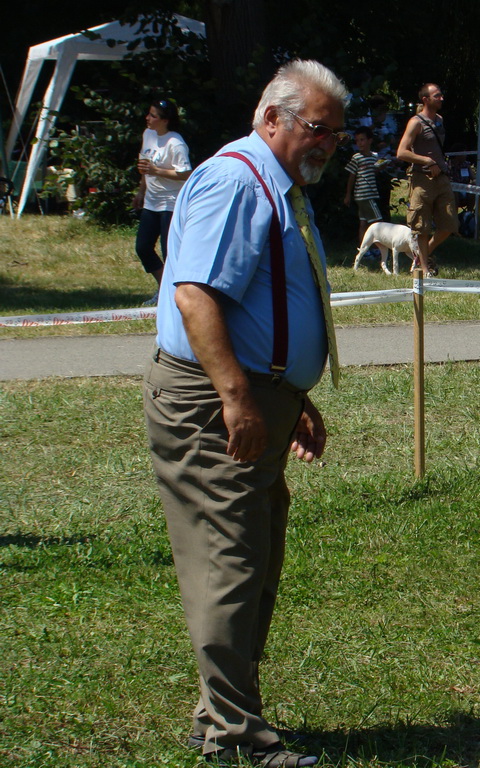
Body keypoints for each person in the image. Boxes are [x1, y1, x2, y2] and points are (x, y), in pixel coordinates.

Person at [143, 59, 348, 766]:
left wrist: (293, 395)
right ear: (272, 119)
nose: (327, 145)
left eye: (335, 135)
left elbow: (264, 304)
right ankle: (235, 737)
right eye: (318, 129)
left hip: (257, 399)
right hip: (212, 403)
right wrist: (237, 397)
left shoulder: (279, 184)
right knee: (229, 562)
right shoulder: (237, 179)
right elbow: (195, 297)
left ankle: (219, 718)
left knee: (252, 563)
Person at [133, 98, 192, 306]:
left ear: (165, 120)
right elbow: (144, 166)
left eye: (153, 116)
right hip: (152, 201)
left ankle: (176, 295)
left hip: (171, 204)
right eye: (148, 114)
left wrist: (158, 171)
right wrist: (141, 191)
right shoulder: (148, 135)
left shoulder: (175, 143)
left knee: (170, 252)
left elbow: (186, 173)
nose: (147, 118)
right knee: (143, 247)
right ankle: (163, 288)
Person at [397, 83, 458, 276]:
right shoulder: (415, 122)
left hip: (441, 178)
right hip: (421, 179)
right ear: (426, 99)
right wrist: (426, 160)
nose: (441, 98)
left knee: (450, 225)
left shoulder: (439, 120)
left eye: (441, 95)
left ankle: (423, 254)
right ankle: (423, 269)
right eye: (437, 96)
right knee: (421, 227)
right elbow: (401, 152)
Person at [344, 126, 383, 243]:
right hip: (364, 195)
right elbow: (352, 176)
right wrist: (348, 195)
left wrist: (380, 168)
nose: (359, 143)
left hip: (370, 193)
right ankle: (377, 248)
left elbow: (373, 173)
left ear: (370, 140)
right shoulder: (356, 158)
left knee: (363, 222)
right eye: (357, 141)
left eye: (362, 140)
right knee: (377, 223)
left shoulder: (374, 157)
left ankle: (363, 249)